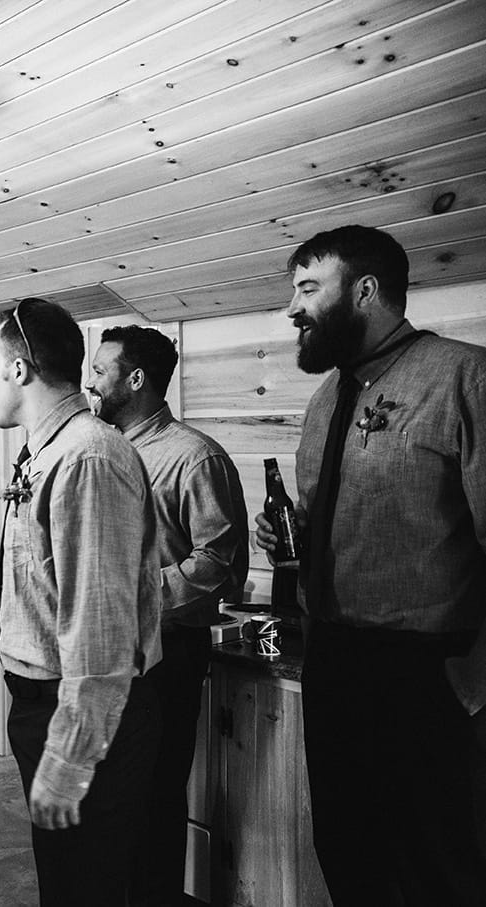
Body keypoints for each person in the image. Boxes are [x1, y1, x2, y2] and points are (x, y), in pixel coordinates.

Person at [255, 224, 486, 904]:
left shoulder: (463, 376)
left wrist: (472, 680)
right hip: (334, 662)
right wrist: (292, 533)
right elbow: (345, 515)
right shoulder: (326, 395)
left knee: (435, 866)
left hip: (427, 673)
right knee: (347, 847)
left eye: (305, 288)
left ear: (365, 289)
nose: (291, 309)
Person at [0, 298, 161, 907]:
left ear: (20, 371)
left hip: (82, 711)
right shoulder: (46, 452)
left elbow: (100, 628)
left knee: (89, 888)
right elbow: (49, 591)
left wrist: (71, 759)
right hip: (42, 706)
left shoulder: (87, 458)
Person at [86, 325, 248, 905]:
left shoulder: (195, 457)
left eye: (101, 371)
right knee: (108, 798)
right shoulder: (100, 450)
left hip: (168, 657)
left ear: (136, 379)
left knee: (154, 796)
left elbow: (219, 563)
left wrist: (138, 595)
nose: (90, 381)